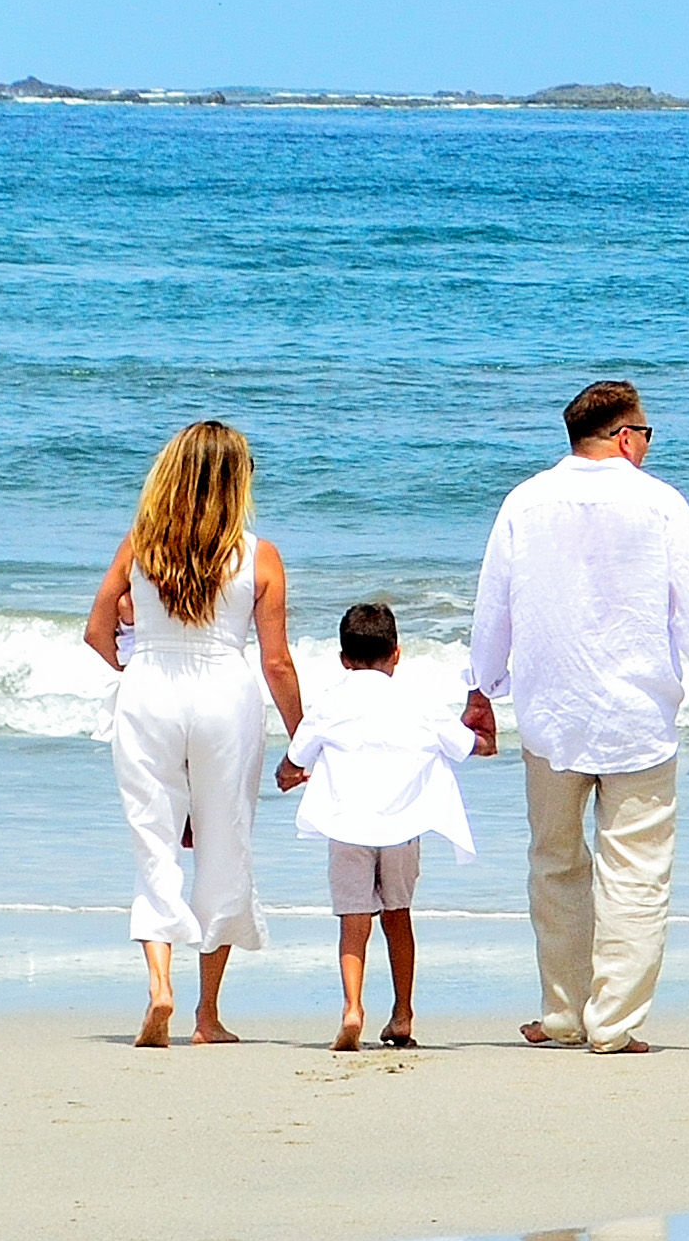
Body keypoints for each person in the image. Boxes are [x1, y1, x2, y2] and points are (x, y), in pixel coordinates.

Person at [459, 379, 689, 1056]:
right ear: (623, 436)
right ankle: (612, 1022)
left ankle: (562, 1011)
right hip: (637, 715)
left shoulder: (525, 501)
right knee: (636, 868)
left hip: (551, 711)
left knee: (555, 863)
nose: (647, 444)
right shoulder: (661, 503)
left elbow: (493, 604)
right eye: (645, 433)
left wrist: (481, 688)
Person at [85, 418, 298, 1050]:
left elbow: (97, 630)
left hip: (149, 693)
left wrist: (138, 664)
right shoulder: (258, 555)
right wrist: (302, 740)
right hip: (224, 701)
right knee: (223, 846)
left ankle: (159, 989)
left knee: (154, 844)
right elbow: (277, 661)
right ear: (239, 482)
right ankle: (207, 1017)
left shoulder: (141, 545)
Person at [275, 596, 470, 1050]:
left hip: (347, 827)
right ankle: (402, 1015)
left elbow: (295, 759)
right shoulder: (418, 700)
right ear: (396, 653)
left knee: (353, 920)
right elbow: (463, 745)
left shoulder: (329, 703)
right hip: (401, 829)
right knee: (398, 916)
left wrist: (289, 774)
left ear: (343, 659)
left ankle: (352, 1009)